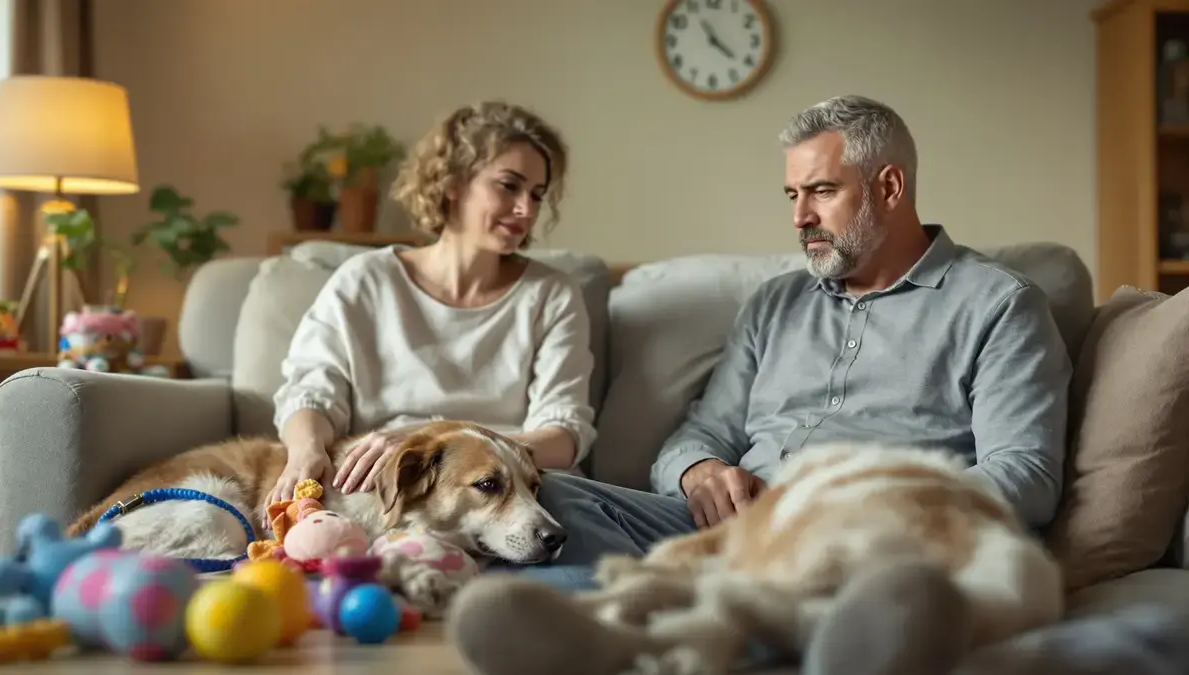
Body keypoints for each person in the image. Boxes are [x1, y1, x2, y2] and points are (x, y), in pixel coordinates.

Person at [534, 94, 1073, 570]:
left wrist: (862, 505)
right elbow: (702, 434)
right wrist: (700, 473)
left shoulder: (999, 305)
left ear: (889, 186)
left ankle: (661, 613)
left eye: (820, 191)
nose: (799, 216)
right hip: (730, 534)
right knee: (550, 500)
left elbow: (1024, 476)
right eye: (792, 194)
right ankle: (677, 606)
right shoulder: (775, 303)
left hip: (870, 546)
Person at [265, 100, 597, 512]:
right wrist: (305, 451)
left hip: (510, 498)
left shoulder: (551, 295)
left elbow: (563, 435)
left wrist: (434, 439)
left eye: (537, 195)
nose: (525, 209)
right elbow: (310, 392)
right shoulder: (365, 280)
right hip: (386, 493)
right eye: (509, 186)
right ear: (453, 181)